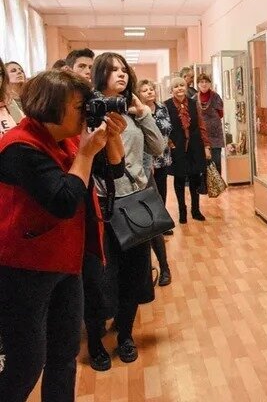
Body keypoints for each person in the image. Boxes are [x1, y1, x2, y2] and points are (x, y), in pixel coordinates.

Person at [0, 70, 126, 402]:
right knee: (27, 363)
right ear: (52, 107)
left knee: (64, 355)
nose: (87, 113)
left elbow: (112, 171)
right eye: (80, 106)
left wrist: (111, 137)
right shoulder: (18, 146)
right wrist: (85, 154)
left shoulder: (66, 137)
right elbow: (64, 200)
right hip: (24, 269)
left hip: (66, 263)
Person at [84, 52, 166, 371]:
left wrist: (143, 112)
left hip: (134, 201)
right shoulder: (88, 110)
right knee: (100, 279)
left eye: (123, 70)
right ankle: (94, 342)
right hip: (101, 206)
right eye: (112, 69)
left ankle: (126, 337)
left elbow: (158, 149)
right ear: (99, 74)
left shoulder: (131, 112)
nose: (120, 74)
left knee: (134, 273)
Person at [136, 79, 173, 285]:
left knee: (152, 221)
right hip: (124, 175)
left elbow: (157, 140)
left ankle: (164, 267)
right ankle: (143, 271)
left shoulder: (147, 111)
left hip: (147, 167)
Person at [165, 76, 211, 223]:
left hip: (195, 146)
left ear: (186, 87)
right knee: (179, 180)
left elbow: (202, 125)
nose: (179, 88)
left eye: (182, 85)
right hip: (177, 147)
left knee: (195, 179)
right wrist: (169, 143)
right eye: (176, 86)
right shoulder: (166, 105)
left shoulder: (193, 103)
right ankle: (182, 211)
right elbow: (164, 128)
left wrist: (206, 146)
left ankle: (196, 210)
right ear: (171, 90)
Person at [196, 72, 224, 174]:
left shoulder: (216, 96)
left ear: (210, 83)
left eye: (206, 82)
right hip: (202, 135)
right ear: (198, 84)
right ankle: (205, 187)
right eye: (201, 82)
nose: (204, 84)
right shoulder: (195, 98)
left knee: (216, 161)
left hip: (215, 134)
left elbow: (221, 113)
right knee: (203, 162)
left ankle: (217, 187)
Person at [0, 58, 24, 137]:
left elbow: (23, 131)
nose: (19, 72)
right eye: (13, 71)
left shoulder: (10, 103)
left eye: (0, 73)